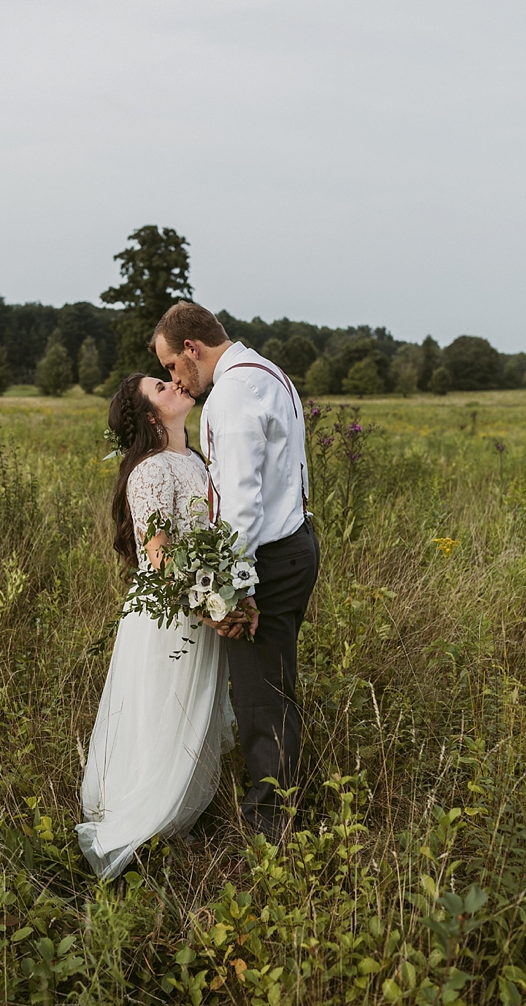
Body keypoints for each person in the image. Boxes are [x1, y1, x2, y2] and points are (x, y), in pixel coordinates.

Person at [152, 302, 319, 840]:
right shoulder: (269, 373)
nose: (177, 380)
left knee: (259, 697)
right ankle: (287, 800)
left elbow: (241, 504)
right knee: (275, 686)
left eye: (174, 366)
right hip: (295, 544)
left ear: (192, 350)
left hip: (265, 560)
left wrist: (234, 590)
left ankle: (272, 825)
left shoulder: (229, 395)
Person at [78, 374, 235, 879]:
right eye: (161, 389)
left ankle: (181, 811)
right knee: (163, 708)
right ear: (151, 416)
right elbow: (160, 553)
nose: (175, 385)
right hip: (171, 612)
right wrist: (210, 602)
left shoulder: (195, 460)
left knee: (194, 708)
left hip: (201, 598)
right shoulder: (150, 471)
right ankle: (144, 817)